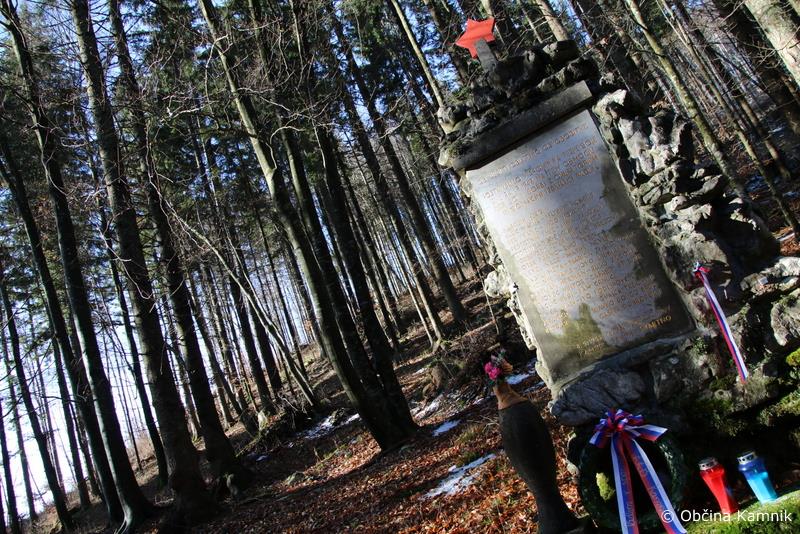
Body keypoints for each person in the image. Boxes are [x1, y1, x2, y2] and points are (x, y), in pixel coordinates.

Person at [485, 351, 582, 534]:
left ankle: (555, 514)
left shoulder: (514, 409)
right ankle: (553, 515)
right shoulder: (513, 411)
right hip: (516, 413)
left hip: (517, 412)